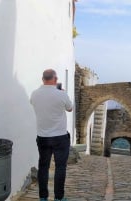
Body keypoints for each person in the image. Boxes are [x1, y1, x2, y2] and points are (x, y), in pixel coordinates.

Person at [30, 69, 73, 201]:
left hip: (43, 137)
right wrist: (63, 93)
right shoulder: (61, 94)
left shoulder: (35, 94)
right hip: (60, 137)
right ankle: (59, 198)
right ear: (55, 80)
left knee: (43, 167)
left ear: (43, 79)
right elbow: (70, 108)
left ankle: (43, 197)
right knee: (60, 167)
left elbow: (33, 103)